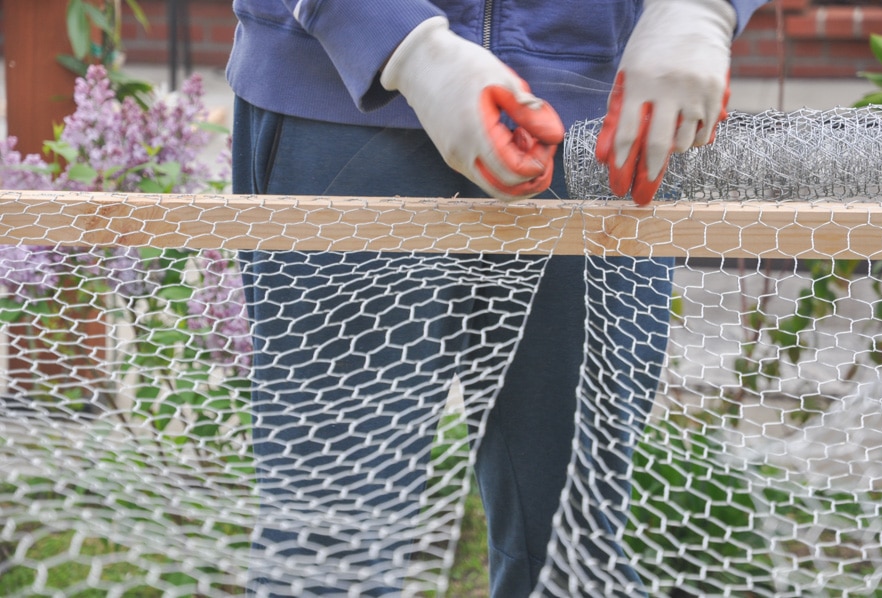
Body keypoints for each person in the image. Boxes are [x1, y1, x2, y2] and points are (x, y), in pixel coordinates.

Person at [226, 0, 766, 595]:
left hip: (600, 129)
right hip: (339, 99)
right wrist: (404, 46)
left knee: (573, 554)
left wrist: (699, 9)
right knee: (328, 550)